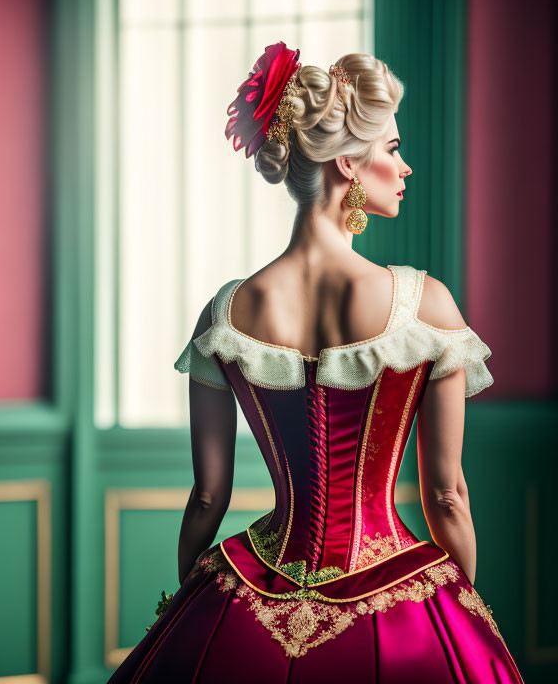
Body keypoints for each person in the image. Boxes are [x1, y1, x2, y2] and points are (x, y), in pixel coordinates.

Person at [106, 42, 525, 683]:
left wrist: (191, 595)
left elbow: (208, 494)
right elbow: (446, 495)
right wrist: (464, 610)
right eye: (392, 148)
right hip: (396, 593)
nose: (406, 166)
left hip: (255, 587)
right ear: (349, 163)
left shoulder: (229, 311)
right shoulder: (424, 304)